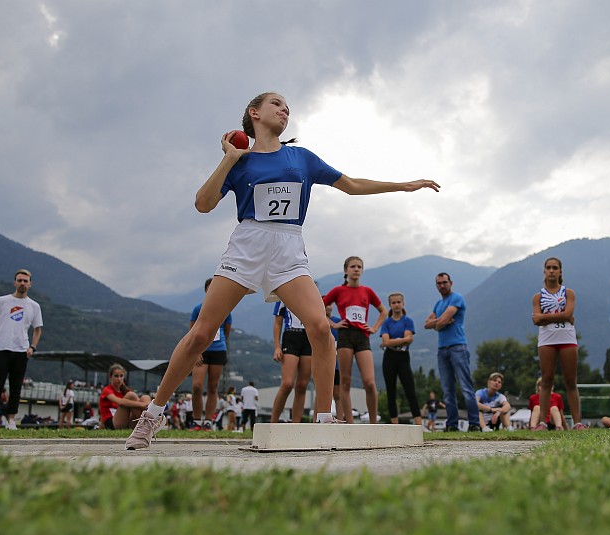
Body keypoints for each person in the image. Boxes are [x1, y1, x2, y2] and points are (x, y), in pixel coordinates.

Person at [123, 91, 438, 449]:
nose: (284, 109)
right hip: (248, 243)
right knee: (201, 335)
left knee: (320, 328)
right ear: (254, 113)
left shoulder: (301, 157)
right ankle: (153, 414)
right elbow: (203, 204)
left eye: (288, 107)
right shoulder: (239, 161)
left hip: (288, 247)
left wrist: (403, 185)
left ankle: (324, 419)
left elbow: (351, 185)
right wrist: (229, 159)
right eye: (276, 103)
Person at [323, 257, 387, 423]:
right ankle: (350, 423)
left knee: (370, 382)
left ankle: (373, 423)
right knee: (345, 381)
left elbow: (383, 311)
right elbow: (319, 308)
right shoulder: (338, 291)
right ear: (346, 270)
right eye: (353, 266)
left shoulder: (367, 291)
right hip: (345, 335)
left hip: (362, 337)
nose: (356, 269)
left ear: (362, 270)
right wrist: (333, 324)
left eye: (359, 266)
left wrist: (374, 328)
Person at [0, 269, 43, 430]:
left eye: (25, 281)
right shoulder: (1, 301)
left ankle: (11, 419)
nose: (22, 283)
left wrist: (33, 347)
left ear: (30, 284)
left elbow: (38, 329)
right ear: (15, 282)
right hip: (1, 347)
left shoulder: (34, 306)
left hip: (21, 350)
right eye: (19, 280)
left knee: (16, 387)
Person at [532, 257, 586, 431]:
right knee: (546, 380)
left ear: (560, 271)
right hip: (547, 340)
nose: (551, 271)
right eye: (548, 267)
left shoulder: (568, 293)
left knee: (570, 381)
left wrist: (544, 317)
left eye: (555, 268)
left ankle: (577, 422)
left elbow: (567, 313)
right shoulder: (538, 297)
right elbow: (536, 320)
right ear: (544, 271)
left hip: (567, 339)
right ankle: (542, 422)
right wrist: (562, 316)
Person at [425, 273, 481, 432]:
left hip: (458, 347)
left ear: (451, 283)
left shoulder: (457, 298)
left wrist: (437, 323)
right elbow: (426, 324)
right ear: (436, 285)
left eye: (444, 282)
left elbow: (440, 321)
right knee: (447, 390)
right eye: (439, 283)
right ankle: (452, 424)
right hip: (442, 349)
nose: (442, 285)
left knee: (466, 387)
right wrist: (438, 323)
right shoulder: (438, 304)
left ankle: (474, 423)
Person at [190, 278, 232, 431]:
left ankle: (208, 421)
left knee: (213, 387)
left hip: (218, 349)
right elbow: (192, 331)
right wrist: (196, 351)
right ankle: (196, 420)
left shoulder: (226, 309)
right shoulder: (197, 309)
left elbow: (227, 331)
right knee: (197, 386)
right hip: (201, 351)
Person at [379, 292, 423, 425]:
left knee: (410, 390)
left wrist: (391, 341)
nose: (396, 305)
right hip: (389, 357)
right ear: (390, 305)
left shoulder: (408, 321)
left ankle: (418, 424)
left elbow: (407, 339)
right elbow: (387, 341)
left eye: (399, 302)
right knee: (391, 391)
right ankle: (395, 425)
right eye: (394, 303)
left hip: (403, 357)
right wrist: (402, 340)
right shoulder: (386, 322)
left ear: (403, 304)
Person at [271, 302, 312, 423]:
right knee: (287, 383)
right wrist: (277, 347)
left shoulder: (311, 295)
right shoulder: (283, 297)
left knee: (302, 385)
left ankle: (296, 424)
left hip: (308, 337)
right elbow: (278, 322)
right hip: (291, 336)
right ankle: (273, 423)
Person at [99, 364, 152, 430]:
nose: (119, 379)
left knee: (145, 397)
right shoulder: (107, 390)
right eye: (116, 376)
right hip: (112, 422)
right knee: (131, 395)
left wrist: (145, 404)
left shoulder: (125, 390)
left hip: (126, 420)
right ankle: (147, 423)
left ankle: (148, 421)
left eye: (121, 376)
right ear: (110, 377)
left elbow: (137, 401)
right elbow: (120, 402)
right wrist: (143, 405)